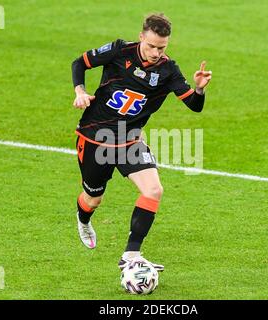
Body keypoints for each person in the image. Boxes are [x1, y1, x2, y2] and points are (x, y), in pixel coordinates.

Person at [71, 13, 212, 271]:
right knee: (93, 199)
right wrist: (80, 91)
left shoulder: (168, 70)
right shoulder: (118, 51)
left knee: (153, 190)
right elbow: (79, 63)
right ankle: (83, 219)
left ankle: (131, 255)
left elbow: (194, 105)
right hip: (95, 137)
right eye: (151, 46)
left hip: (129, 140)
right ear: (141, 38)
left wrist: (200, 88)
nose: (156, 52)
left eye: (162, 47)